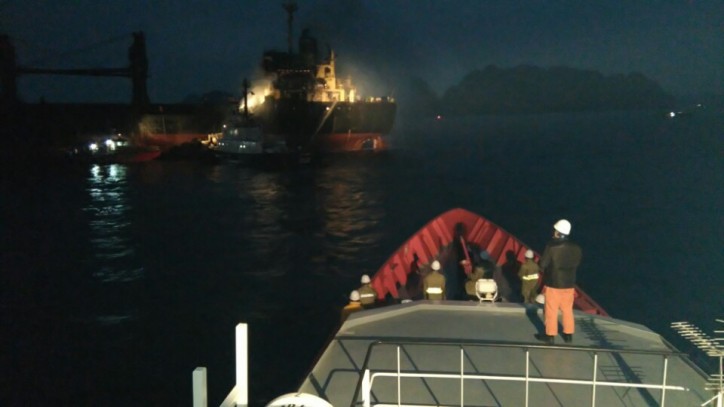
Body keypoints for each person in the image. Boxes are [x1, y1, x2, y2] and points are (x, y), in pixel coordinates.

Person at [535, 219, 582, 344]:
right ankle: (568, 334)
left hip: (554, 284)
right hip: (569, 285)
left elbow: (543, 264)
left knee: (551, 310)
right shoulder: (576, 248)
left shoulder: (551, 246)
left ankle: (550, 336)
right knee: (567, 310)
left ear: (557, 232)